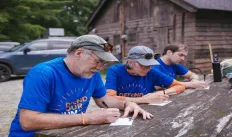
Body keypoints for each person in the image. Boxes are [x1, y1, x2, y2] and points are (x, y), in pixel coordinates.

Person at [9, 35, 153, 137]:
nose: (101, 67)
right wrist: (88, 118)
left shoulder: (91, 73)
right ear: (79, 53)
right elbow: (28, 121)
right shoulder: (43, 73)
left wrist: (128, 102)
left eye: (105, 63)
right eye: (98, 61)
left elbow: (104, 99)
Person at [105, 46, 185, 104]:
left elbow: (180, 86)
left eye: (150, 65)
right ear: (130, 62)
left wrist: (160, 93)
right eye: (144, 65)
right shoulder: (115, 71)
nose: (148, 69)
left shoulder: (151, 71)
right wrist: (144, 99)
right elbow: (109, 98)